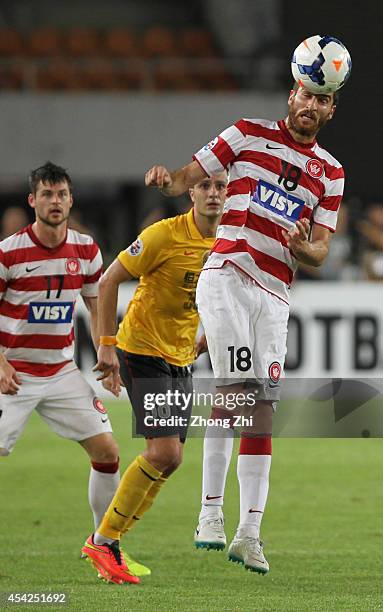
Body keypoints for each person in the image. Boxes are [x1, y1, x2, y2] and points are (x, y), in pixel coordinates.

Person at [144, 82, 344, 574]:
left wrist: (303, 248)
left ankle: (248, 534)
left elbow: (321, 249)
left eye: (322, 101)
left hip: (275, 296)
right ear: (292, 94)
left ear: (330, 109)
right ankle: (209, 514)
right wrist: (167, 179)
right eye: (306, 96)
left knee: (261, 411)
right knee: (235, 390)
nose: (311, 107)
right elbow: (187, 177)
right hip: (227, 275)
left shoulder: (332, 172)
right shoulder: (247, 133)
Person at [81, 172, 228, 584]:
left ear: (229, 191)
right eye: (205, 186)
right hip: (142, 350)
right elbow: (109, 280)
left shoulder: (227, 241)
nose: (213, 193)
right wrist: (106, 346)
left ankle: (108, 542)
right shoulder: (163, 235)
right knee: (163, 453)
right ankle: (103, 541)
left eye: (220, 185)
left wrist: (207, 336)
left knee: (172, 459)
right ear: (192, 193)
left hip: (180, 356)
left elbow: (217, 294)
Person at [0, 162, 142, 579]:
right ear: (32, 201)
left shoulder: (85, 249)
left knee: (108, 452)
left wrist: (106, 350)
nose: (55, 202)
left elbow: (96, 302)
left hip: (61, 371)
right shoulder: (9, 252)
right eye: (47, 194)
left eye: (61, 194)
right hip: (15, 372)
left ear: (71, 198)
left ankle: (104, 545)